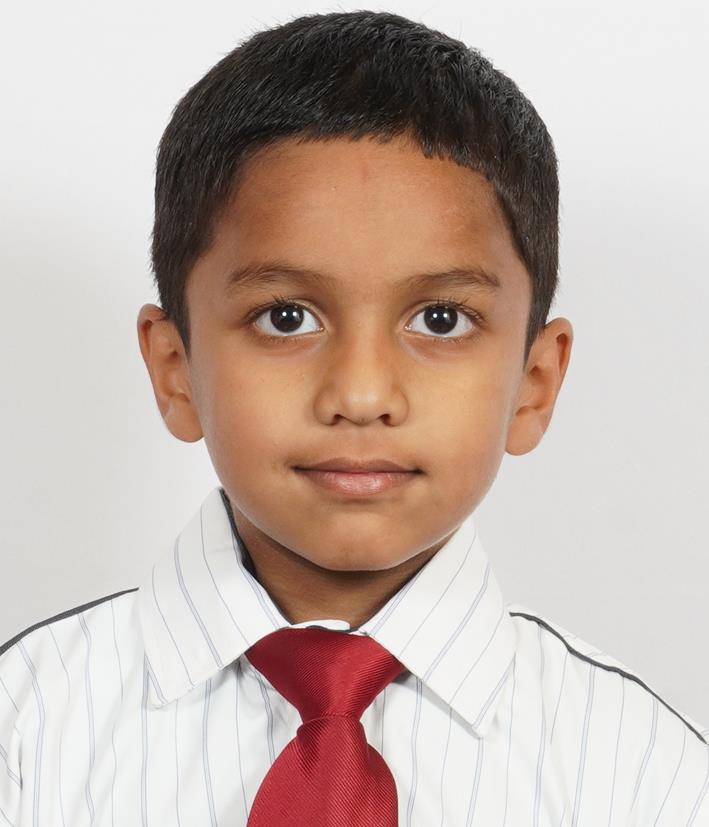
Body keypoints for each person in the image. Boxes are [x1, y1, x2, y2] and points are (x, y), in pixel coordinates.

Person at [1, 9, 707, 826]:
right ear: (175, 369)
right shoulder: (26, 734)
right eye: (286, 317)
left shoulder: (645, 777)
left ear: (534, 382)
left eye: (440, 319)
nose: (362, 394)